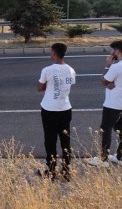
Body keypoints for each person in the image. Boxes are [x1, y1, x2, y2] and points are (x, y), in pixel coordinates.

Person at [88, 39, 122, 168]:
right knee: (121, 130)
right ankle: (121, 158)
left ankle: (103, 160)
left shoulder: (116, 66)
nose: (111, 53)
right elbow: (114, 83)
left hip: (113, 104)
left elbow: (104, 81)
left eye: (113, 50)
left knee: (105, 130)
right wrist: (111, 84)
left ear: (118, 51)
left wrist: (107, 65)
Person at [37, 43, 76, 180]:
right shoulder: (71, 70)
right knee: (65, 141)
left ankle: (51, 170)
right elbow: (69, 84)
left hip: (49, 109)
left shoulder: (47, 70)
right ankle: (66, 171)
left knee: (50, 140)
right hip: (65, 108)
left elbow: (40, 87)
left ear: (54, 53)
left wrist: (50, 85)